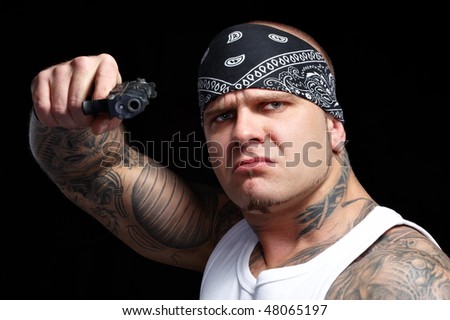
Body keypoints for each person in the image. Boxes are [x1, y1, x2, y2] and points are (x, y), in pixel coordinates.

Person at [28, 20, 450, 299]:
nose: (243, 133)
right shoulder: (226, 235)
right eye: (223, 116)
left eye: (272, 105)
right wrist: (66, 108)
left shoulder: (396, 278)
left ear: (333, 127)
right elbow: (88, 170)